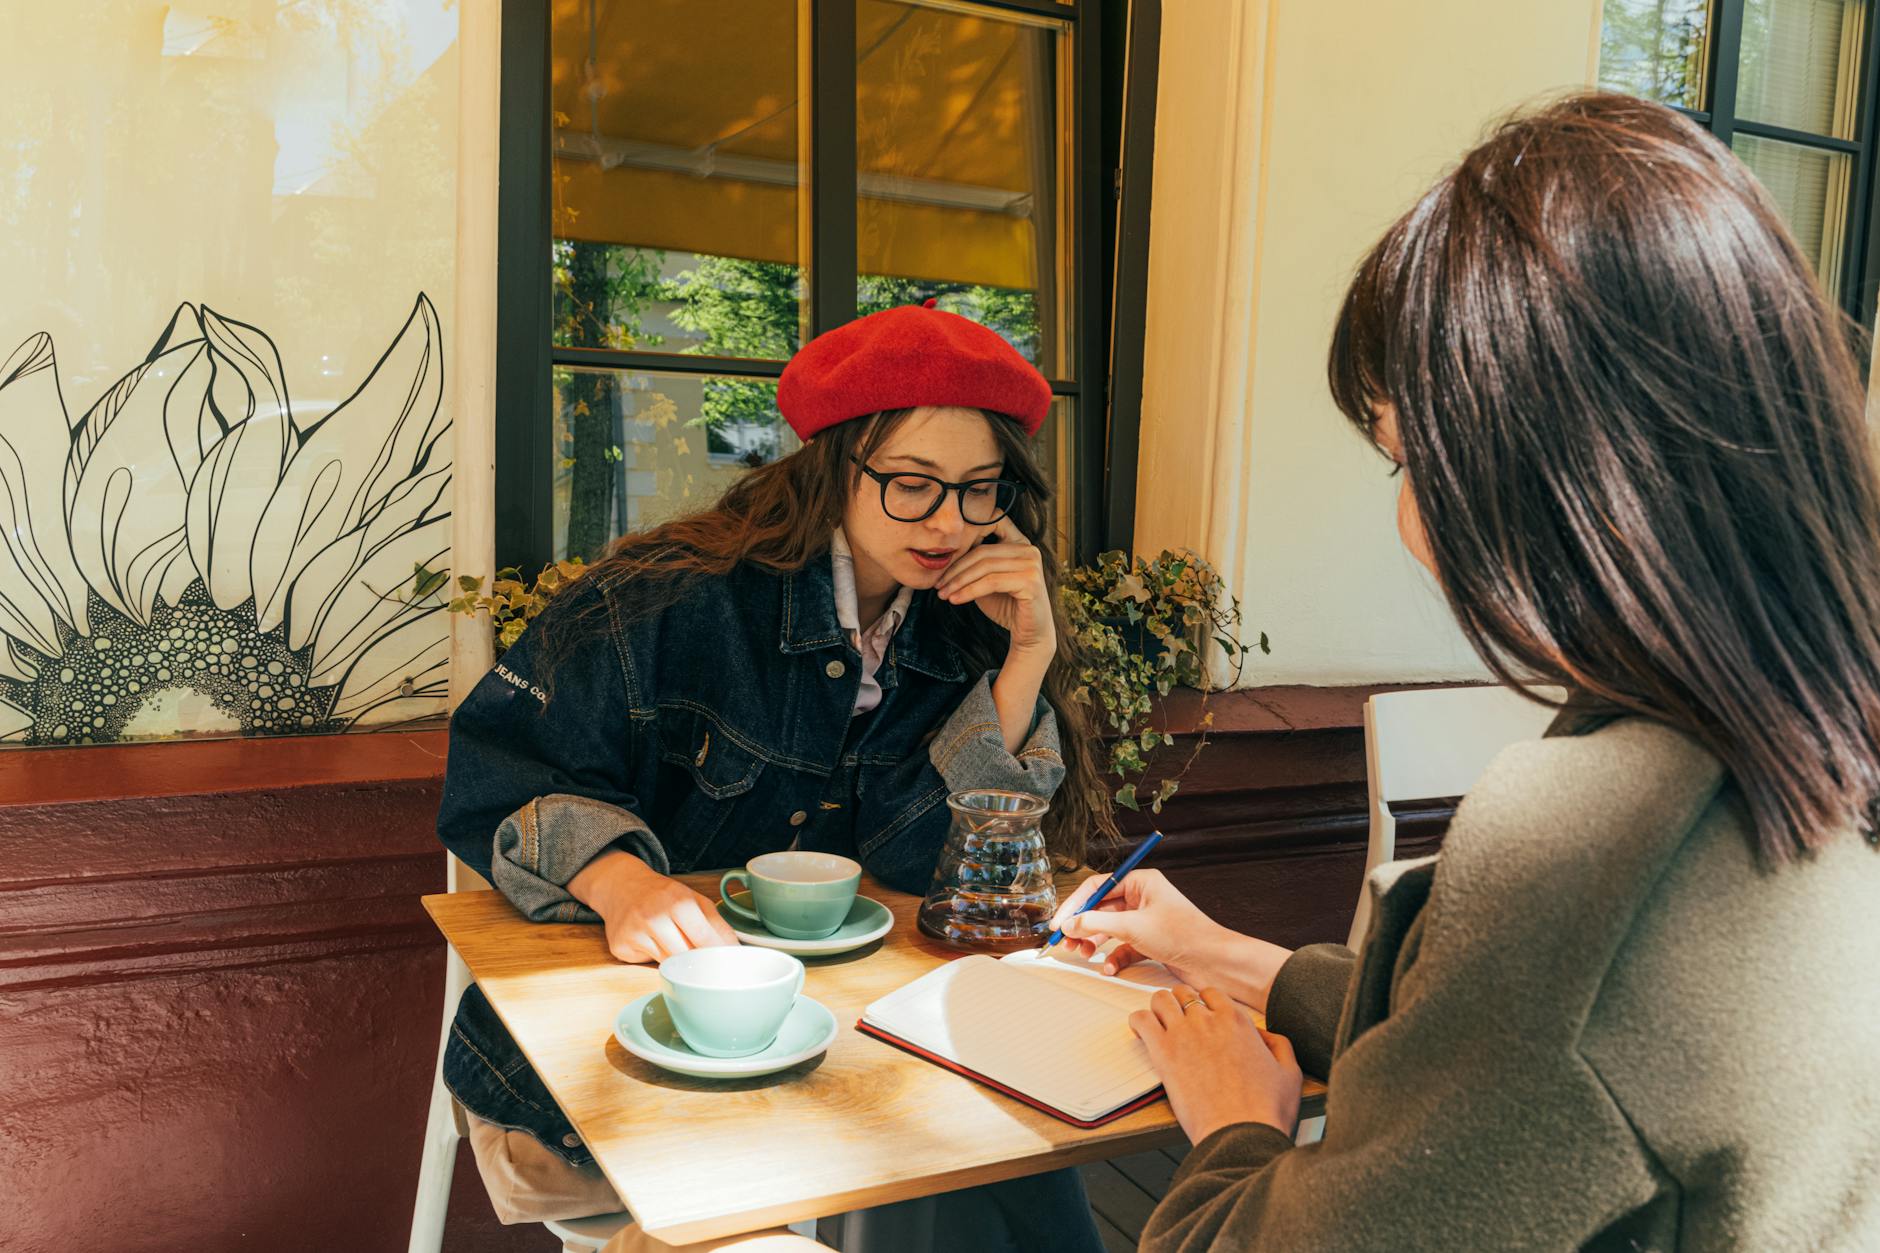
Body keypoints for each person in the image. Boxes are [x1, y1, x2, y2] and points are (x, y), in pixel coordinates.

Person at [1047, 92, 1880, 1250]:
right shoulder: (1806, 756)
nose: (1408, 522)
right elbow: (1547, 1065)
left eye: (1403, 456)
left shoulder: (1599, 834)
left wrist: (1237, 1129)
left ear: (1536, 464)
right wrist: (1216, 951)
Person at [436, 302, 1113, 1249]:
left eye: (980, 489)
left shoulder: (966, 627)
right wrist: (620, 878)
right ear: (836, 466)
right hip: (610, 1078)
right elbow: (494, 770)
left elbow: (932, 863)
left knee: (1014, 1174)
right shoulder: (670, 597)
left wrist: (1025, 661)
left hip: (846, 1064)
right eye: (913, 485)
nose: (950, 522)